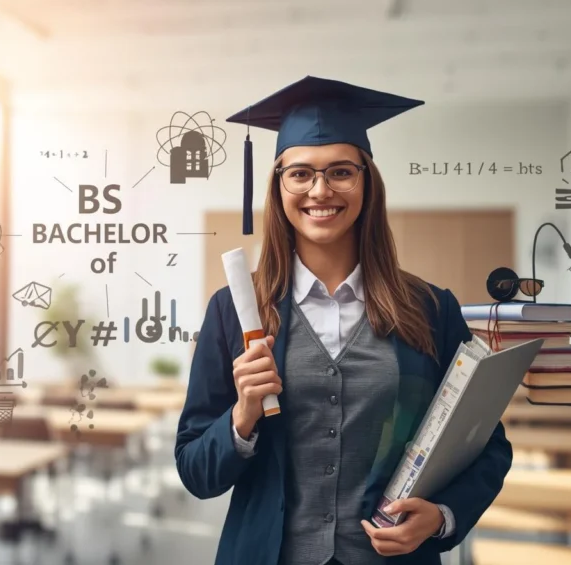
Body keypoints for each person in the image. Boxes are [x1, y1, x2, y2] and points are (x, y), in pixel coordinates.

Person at [174, 77, 512, 565]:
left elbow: (487, 445)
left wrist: (441, 516)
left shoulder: (430, 309)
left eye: (340, 172)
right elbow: (194, 469)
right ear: (278, 184)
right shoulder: (232, 310)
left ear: (367, 181)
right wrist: (242, 417)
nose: (320, 190)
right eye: (300, 174)